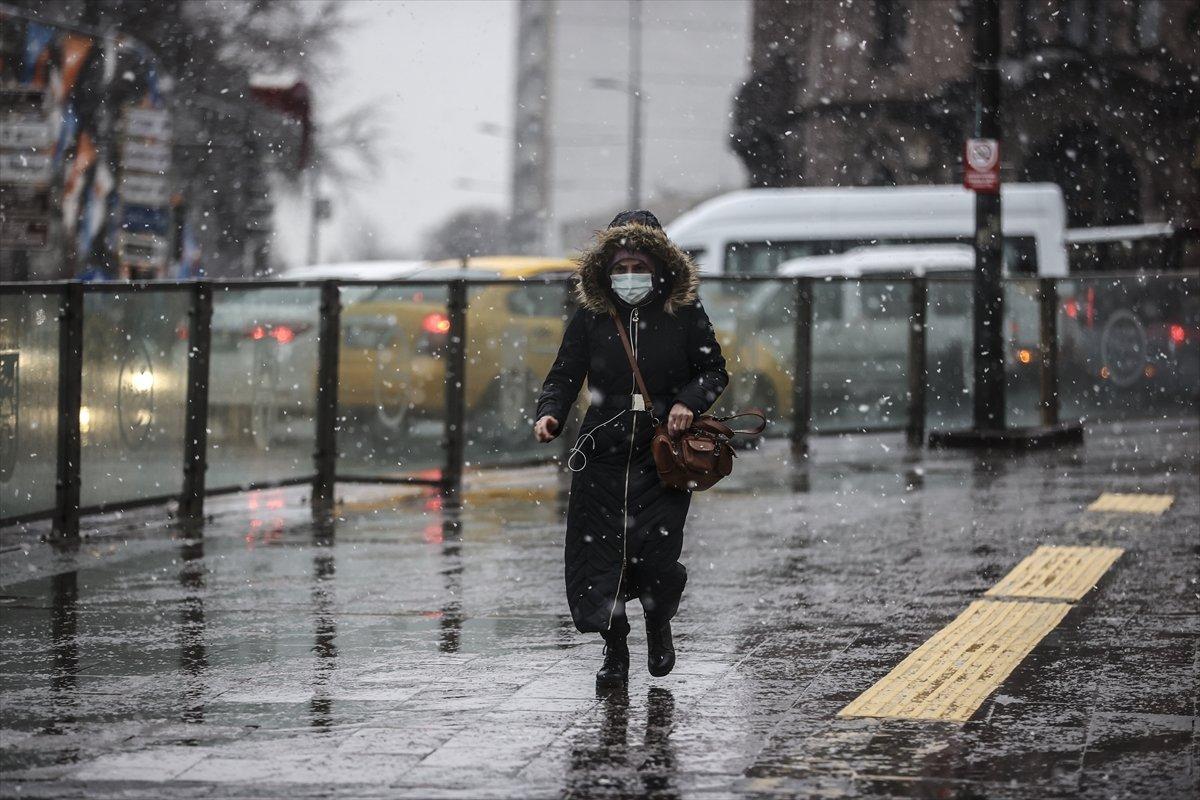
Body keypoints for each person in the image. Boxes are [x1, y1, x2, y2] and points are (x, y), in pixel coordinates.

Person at [533, 209, 729, 690]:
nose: (629, 277)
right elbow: (565, 372)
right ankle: (615, 649)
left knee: (657, 557)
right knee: (603, 558)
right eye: (619, 268)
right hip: (601, 453)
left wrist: (687, 401)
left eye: (638, 266)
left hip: (661, 457)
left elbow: (714, 371)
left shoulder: (683, 313)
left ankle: (658, 625)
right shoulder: (592, 317)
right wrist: (550, 411)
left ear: (660, 265)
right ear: (605, 270)